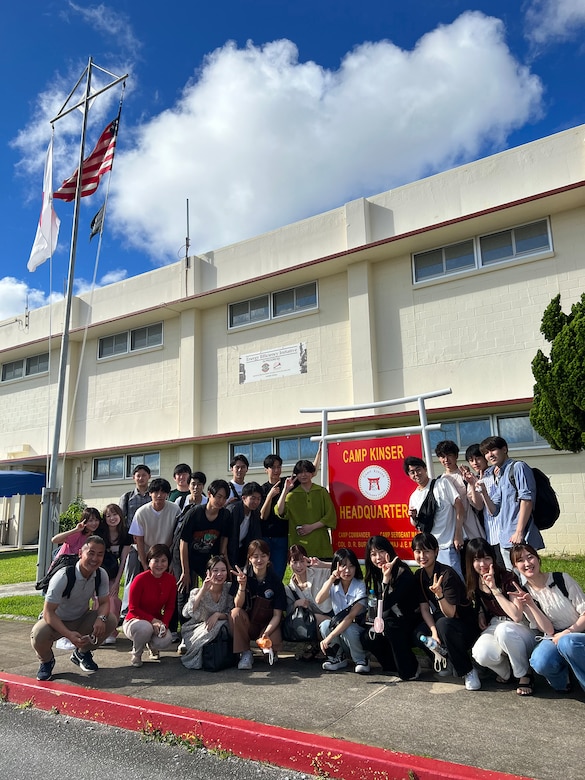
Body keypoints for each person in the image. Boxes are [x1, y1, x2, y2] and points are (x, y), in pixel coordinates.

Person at [31, 535, 117, 681]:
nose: (95, 558)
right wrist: (69, 635)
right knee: (38, 634)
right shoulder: (63, 575)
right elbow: (48, 612)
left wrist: (101, 619)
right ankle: (46, 661)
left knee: (110, 620)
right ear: (80, 554)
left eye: (100, 554)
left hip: (80, 618)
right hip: (56, 621)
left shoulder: (100, 574)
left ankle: (82, 653)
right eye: (91, 553)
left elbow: (104, 602)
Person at [510, 543, 585, 694]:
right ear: (515, 567)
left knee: (567, 642)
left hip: (578, 631)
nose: (527, 563)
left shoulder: (561, 579)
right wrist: (531, 604)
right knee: (539, 661)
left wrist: (568, 632)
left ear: (538, 559)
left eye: (530, 557)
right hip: (554, 636)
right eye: (520, 560)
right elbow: (548, 630)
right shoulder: (524, 594)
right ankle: (564, 681)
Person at [465, 538, 536, 695]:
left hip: (521, 627)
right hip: (496, 624)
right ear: (470, 561)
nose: (482, 564)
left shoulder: (507, 577)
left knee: (504, 630)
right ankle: (507, 672)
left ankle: (524, 673)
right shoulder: (474, 580)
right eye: (477, 559)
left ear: (493, 558)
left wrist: (494, 589)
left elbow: (517, 615)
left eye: (486, 558)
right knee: (480, 653)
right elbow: (479, 601)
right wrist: (481, 613)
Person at [412, 532, 480, 690]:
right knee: (419, 634)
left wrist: (439, 594)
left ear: (436, 551)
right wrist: (433, 633)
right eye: (418, 551)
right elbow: (424, 608)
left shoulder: (447, 574)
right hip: (442, 623)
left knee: (444, 624)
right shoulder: (420, 575)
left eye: (427, 551)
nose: (422, 556)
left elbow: (450, 613)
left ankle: (468, 670)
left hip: (464, 626)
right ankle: (446, 659)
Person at [479, 436, 544, 571]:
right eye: (486, 452)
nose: (489, 455)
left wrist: (519, 532)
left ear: (504, 449)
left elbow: (527, 500)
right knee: (514, 581)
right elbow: (494, 511)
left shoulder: (518, 467)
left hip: (521, 538)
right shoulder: (500, 475)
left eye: (493, 450)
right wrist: (483, 492)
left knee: (528, 579)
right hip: (505, 539)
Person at [362, 536, 421, 680]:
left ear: (389, 551)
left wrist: (386, 579)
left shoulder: (403, 573)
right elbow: (377, 608)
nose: (378, 558)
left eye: (381, 552)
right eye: (373, 554)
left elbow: (386, 603)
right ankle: (392, 666)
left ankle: (411, 669)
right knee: (367, 636)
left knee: (389, 626)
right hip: (391, 618)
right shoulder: (375, 573)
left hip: (411, 620)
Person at [404, 455, 465, 579]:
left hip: (448, 545)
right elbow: (416, 524)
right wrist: (414, 517)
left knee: (455, 581)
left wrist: (458, 535)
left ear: (425, 469)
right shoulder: (414, 497)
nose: (416, 474)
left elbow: (459, 506)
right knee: (433, 584)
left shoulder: (442, 483)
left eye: (418, 469)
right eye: (412, 472)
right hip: (428, 550)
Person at [230, 539, 286, 670]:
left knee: (271, 652)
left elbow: (277, 615)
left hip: (267, 624)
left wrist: (266, 633)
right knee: (235, 613)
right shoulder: (242, 576)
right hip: (248, 623)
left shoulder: (275, 581)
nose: (259, 560)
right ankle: (245, 652)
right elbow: (237, 604)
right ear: (249, 559)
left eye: (263, 556)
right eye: (255, 556)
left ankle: (269, 651)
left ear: (269, 557)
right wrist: (242, 586)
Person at [315, 547, 369, 674]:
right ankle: (338, 658)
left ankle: (361, 659)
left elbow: (350, 617)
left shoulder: (360, 586)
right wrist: (331, 579)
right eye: (343, 566)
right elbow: (318, 599)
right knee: (325, 625)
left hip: (357, 631)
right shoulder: (334, 585)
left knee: (349, 629)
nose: (347, 570)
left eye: (351, 566)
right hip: (341, 629)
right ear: (336, 567)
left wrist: (329, 637)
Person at [122, 544, 177, 667]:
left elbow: (170, 607)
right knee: (145, 628)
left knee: (166, 639)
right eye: (156, 560)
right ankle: (137, 653)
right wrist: (153, 621)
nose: (159, 564)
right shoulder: (140, 579)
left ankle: (152, 646)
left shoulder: (171, 580)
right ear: (149, 561)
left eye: (163, 561)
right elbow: (133, 608)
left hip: (156, 621)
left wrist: (164, 624)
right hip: (134, 620)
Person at [179, 554, 234, 668]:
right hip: (197, 627)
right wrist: (203, 590)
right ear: (208, 572)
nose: (219, 574)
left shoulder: (229, 589)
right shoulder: (197, 591)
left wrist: (218, 615)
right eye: (215, 570)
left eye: (223, 570)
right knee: (214, 626)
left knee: (220, 624)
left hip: (222, 624)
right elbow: (187, 612)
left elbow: (232, 612)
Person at [275, 459, 337, 559]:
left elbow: (330, 515)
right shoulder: (291, 495)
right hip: (300, 546)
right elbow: (280, 511)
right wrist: (285, 490)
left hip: (320, 544)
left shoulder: (321, 492)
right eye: (300, 472)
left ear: (312, 473)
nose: (303, 475)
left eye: (306, 471)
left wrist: (311, 527)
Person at [179, 479, 231, 590]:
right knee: (185, 588)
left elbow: (224, 539)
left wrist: (224, 561)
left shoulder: (225, 515)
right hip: (187, 555)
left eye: (224, 498)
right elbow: (183, 542)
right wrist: (185, 571)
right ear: (209, 494)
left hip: (206, 556)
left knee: (213, 587)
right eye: (218, 496)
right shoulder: (194, 513)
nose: (221, 501)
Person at [285, 543, 332, 661]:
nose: (299, 566)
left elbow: (343, 569)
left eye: (302, 561)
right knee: (309, 619)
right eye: (294, 562)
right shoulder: (290, 587)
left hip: (330, 614)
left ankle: (323, 648)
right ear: (288, 563)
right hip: (311, 620)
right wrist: (296, 604)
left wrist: (322, 564)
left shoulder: (318, 571)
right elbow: (288, 611)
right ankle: (314, 646)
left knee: (314, 618)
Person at [462, 444, 504, 569]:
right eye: (471, 460)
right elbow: (478, 506)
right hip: (490, 532)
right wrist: (473, 485)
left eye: (477, 458)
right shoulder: (472, 479)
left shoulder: (496, 472)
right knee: (497, 567)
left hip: (504, 528)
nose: (474, 462)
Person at [119, 464, 152, 617]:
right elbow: (120, 521)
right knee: (131, 577)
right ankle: (126, 610)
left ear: (149, 477)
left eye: (144, 475)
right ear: (134, 478)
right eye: (138, 475)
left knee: (149, 576)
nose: (141, 478)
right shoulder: (126, 497)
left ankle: (146, 608)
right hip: (132, 545)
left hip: (150, 543)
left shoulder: (153, 495)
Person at [435, 440, 485, 543]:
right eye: (442, 456)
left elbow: (478, 505)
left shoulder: (466, 476)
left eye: (449, 455)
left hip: (471, 529)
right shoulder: (439, 481)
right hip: (450, 532)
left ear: (456, 456)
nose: (446, 459)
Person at [97, 503, 133, 643]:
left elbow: (123, 560)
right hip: (97, 571)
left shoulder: (126, 533)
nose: (112, 518)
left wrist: (117, 582)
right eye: (108, 516)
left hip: (112, 572)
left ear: (120, 515)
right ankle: (97, 630)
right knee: (98, 600)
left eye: (114, 514)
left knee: (112, 599)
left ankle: (111, 631)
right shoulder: (100, 532)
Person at [259, 454, 289, 580]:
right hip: (265, 536)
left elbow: (310, 472)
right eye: (273, 467)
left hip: (282, 536)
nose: (276, 470)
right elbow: (263, 516)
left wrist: (320, 451)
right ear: (266, 469)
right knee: (263, 571)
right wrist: (269, 496)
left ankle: (277, 597)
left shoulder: (287, 483)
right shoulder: (262, 489)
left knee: (278, 572)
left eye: (279, 467)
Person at [226, 481, 264, 570]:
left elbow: (256, 536)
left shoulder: (255, 513)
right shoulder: (233, 510)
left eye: (258, 499)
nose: (256, 502)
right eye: (253, 498)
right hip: (227, 552)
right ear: (243, 498)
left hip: (241, 551)